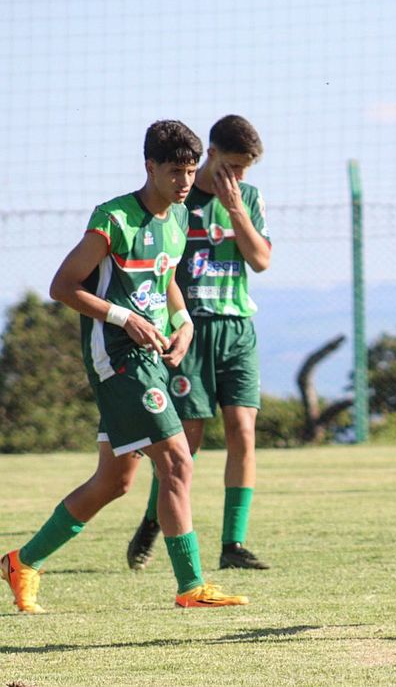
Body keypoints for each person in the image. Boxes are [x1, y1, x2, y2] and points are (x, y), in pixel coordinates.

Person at [1, 120, 248, 612]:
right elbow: (63, 286)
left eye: (191, 171)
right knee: (177, 461)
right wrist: (123, 317)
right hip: (116, 358)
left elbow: (166, 279)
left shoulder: (179, 219)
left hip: (149, 356)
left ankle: (21, 563)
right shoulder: (112, 219)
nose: (184, 182)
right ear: (149, 167)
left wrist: (183, 322)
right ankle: (192, 585)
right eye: (175, 171)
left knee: (115, 481)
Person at [126, 115, 272, 571]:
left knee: (243, 433)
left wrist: (237, 211)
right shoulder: (178, 197)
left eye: (247, 168)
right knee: (186, 440)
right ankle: (154, 518)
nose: (240, 177)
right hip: (190, 329)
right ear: (211, 155)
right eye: (233, 165)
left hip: (237, 327)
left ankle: (233, 545)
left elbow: (262, 260)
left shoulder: (247, 198)